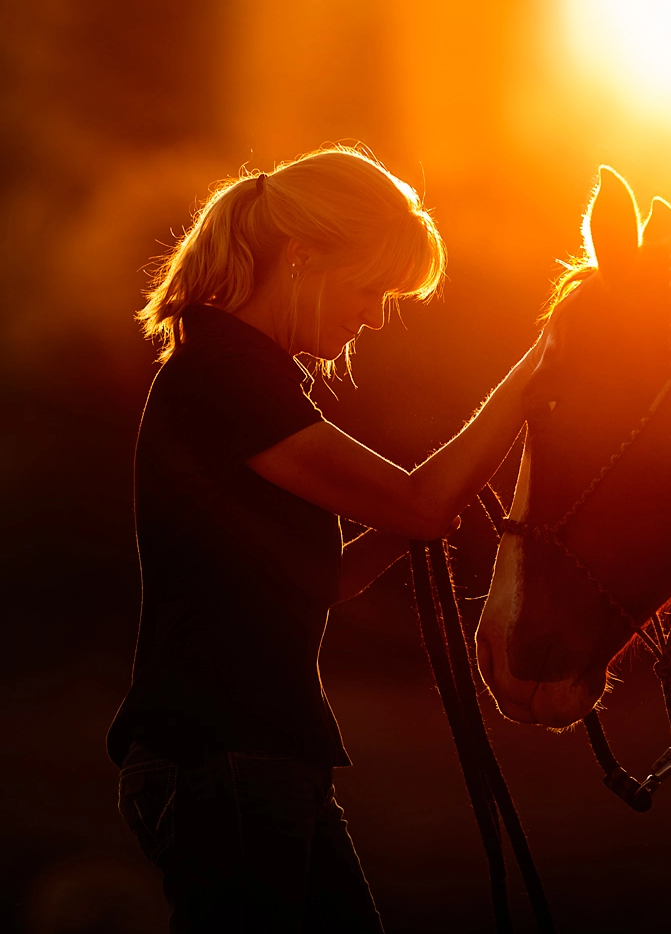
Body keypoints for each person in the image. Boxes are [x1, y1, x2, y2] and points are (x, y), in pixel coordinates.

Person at [107, 145, 549, 932]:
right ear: (305, 259)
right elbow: (417, 503)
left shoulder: (243, 375)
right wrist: (542, 368)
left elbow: (325, 578)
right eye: (371, 289)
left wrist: (432, 508)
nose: (374, 316)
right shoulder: (226, 377)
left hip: (252, 752)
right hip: (225, 754)